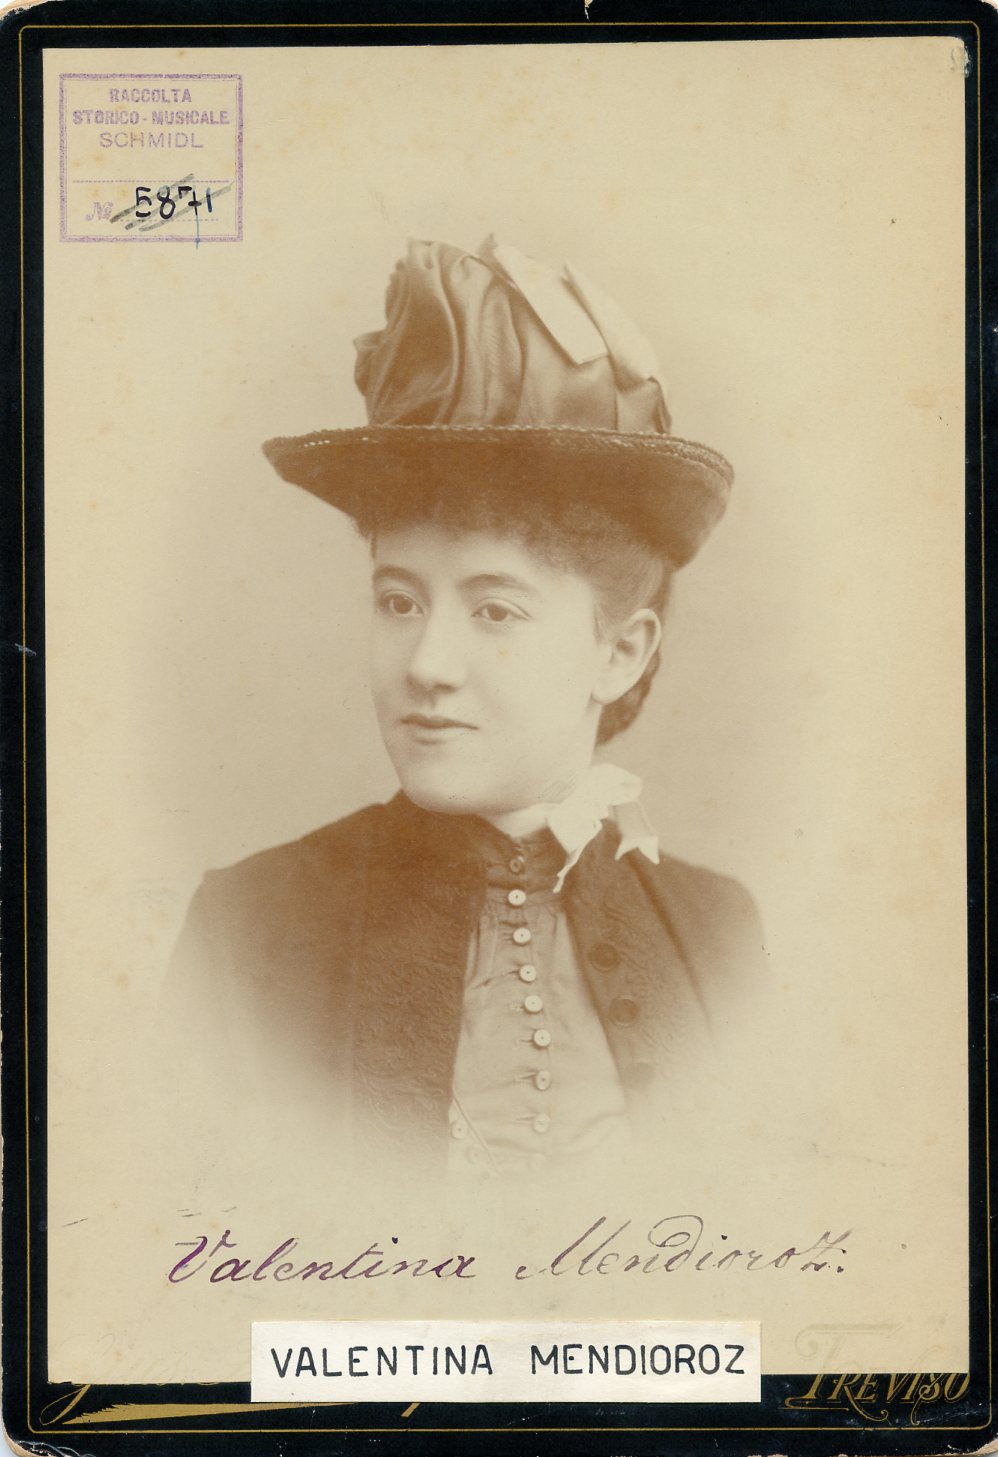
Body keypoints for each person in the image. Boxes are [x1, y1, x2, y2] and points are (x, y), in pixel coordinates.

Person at [168, 235, 765, 1183]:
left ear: (618, 652)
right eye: (399, 601)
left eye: (495, 611)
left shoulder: (717, 933)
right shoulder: (248, 933)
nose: (427, 665)